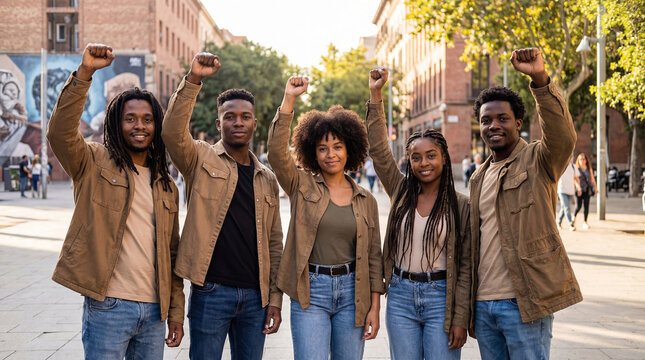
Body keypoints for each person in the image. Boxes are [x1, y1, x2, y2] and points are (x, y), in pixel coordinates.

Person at [47, 43, 185, 359]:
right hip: (108, 305)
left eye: (148, 119)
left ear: (157, 126)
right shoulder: (93, 163)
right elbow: (60, 134)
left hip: (154, 311)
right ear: (116, 123)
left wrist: (175, 311)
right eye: (130, 118)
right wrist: (84, 74)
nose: (140, 126)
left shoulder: (166, 184)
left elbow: (172, 252)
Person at [162, 53, 284, 359]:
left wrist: (275, 298)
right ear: (219, 123)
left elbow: (274, 243)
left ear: (255, 123)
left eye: (245, 116)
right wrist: (193, 80)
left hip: (256, 297)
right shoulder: (199, 159)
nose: (238, 122)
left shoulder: (266, 178)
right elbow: (172, 133)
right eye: (230, 116)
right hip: (211, 292)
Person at [468, 48, 582, 359]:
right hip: (483, 304)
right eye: (486, 120)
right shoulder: (477, 177)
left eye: (502, 118)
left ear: (518, 122)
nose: (494, 126)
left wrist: (540, 79)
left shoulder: (538, 159)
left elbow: (563, 136)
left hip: (525, 302)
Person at [267, 76, 384, 360]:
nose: (331, 154)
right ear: (312, 152)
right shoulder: (301, 185)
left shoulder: (365, 200)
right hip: (311, 292)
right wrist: (289, 100)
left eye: (337, 146)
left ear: (350, 150)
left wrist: (375, 307)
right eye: (322, 148)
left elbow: (374, 257)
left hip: (352, 293)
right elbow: (275, 153)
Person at [366, 68, 471, 359]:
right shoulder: (401, 191)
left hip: (441, 297)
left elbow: (464, 267)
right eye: (416, 157)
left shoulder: (461, 205)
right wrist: (376, 95)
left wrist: (461, 317)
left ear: (444, 158)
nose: (423, 163)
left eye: (431, 155)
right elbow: (378, 149)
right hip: (400, 295)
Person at [573, 153, 597, 230]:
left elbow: (592, 179)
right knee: (578, 206)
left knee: (586, 206)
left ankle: (585, 222)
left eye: (584, 159)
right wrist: (578, 188)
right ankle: (573, 219)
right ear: (578, 160)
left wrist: (596, 188)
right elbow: (575, 180)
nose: (582, 160)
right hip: (579, 190)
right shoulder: (576, 168)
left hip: (587, 190)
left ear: (586, 160)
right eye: (581, 159)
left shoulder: (588, 168)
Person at [557, 156, 576, 231]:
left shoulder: (573, 167)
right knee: (567, 207)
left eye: (571, 157)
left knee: (564, 207)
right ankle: (571, 224)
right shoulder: (560, 167)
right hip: (562, 190)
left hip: (570, 190)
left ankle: (559, 222)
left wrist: (578, 187)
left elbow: (576, 179)